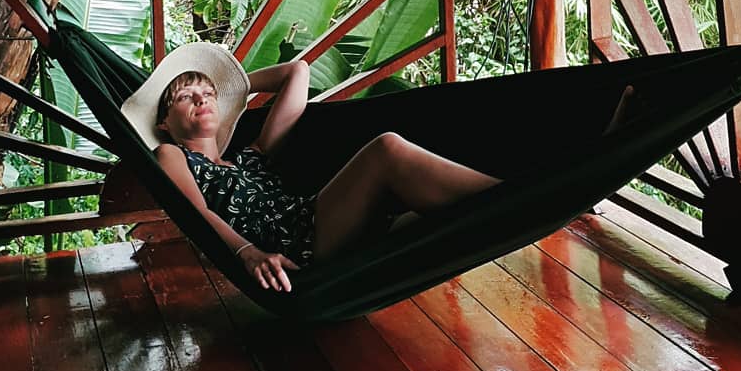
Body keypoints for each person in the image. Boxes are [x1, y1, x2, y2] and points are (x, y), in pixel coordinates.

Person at [121, 42, 501, 294]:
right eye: (186, 97)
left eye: (207, 95)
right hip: (304, 243)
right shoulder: (173, 155)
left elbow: (297, 72)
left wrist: (232, 88)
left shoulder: (252, 155)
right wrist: (247, 253)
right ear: (164, 124)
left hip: (335, 228)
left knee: (441, 221)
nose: (201, 100)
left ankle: (520, 199)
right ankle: (512, 195)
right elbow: (196, 212)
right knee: (386, 149)